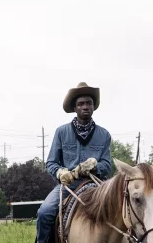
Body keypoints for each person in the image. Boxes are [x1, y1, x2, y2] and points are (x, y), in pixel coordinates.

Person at [36, 82, 112, 243]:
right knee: (44, 213)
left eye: (89, 103)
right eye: (81, 104)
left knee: (121, 211)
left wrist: (96, 166)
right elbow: (51, 163)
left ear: (93, 107)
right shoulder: (61, 132)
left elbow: (107, 164)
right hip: (68, 185)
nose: (85, 106)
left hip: (97, 185)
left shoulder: (104, 134)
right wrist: (60, 173)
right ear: (75, 108)